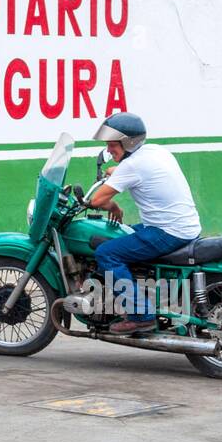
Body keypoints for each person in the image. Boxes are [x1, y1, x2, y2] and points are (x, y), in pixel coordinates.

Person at [87, 112, 201, 335]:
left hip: (166, 232)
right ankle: (132, 297)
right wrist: (114, 171)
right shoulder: (155, 151)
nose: (109, 150)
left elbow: (97, 200)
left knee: (106, 253)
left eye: (112, 145)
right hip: (185, 227)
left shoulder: (132, 166)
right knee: (123, 234)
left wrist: (114, 207)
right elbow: (127, 171)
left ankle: (140, 315)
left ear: (128, 142)